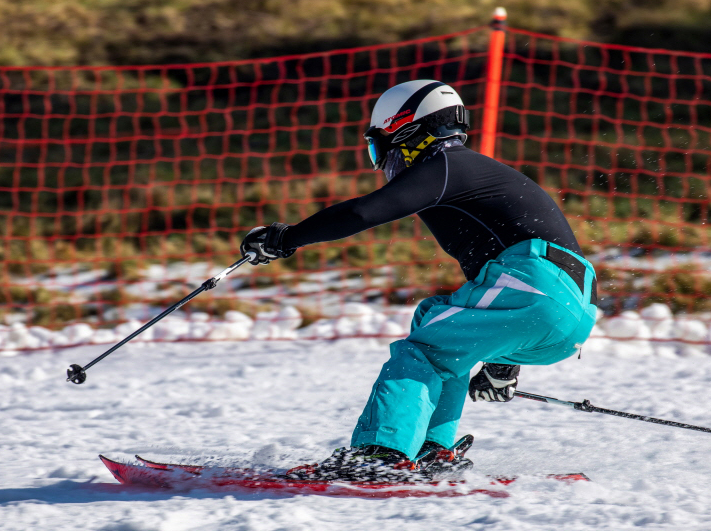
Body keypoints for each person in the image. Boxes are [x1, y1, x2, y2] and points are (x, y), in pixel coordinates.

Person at [240, 80, 598, 482]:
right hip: (574, 311)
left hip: (531, 284)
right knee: (434, 318)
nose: (381, 161)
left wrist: (285, 238)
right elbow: (524, 292)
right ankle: (432, 451)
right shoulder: (476, 172)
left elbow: (362, 213)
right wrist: (502, 366)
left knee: (422, 352)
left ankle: (381, 454)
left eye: (380, 146)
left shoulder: (444, 166)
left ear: (407, 132)